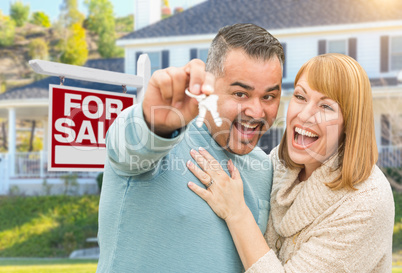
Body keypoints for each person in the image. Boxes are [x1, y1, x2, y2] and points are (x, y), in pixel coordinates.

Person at [96, 23, 285, 273]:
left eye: (268, 97)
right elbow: (129, 144)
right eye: (240, 94)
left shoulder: (264, 169)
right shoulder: (162, 142)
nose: (257, 112)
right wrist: (155, 123)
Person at [187, 53, 395, 272]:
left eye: (326, 107)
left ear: (350, 124)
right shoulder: (279, 163)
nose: (304, 115)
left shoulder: (366, 202)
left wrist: (236, 213)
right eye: (300, 97)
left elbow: (238, 213)